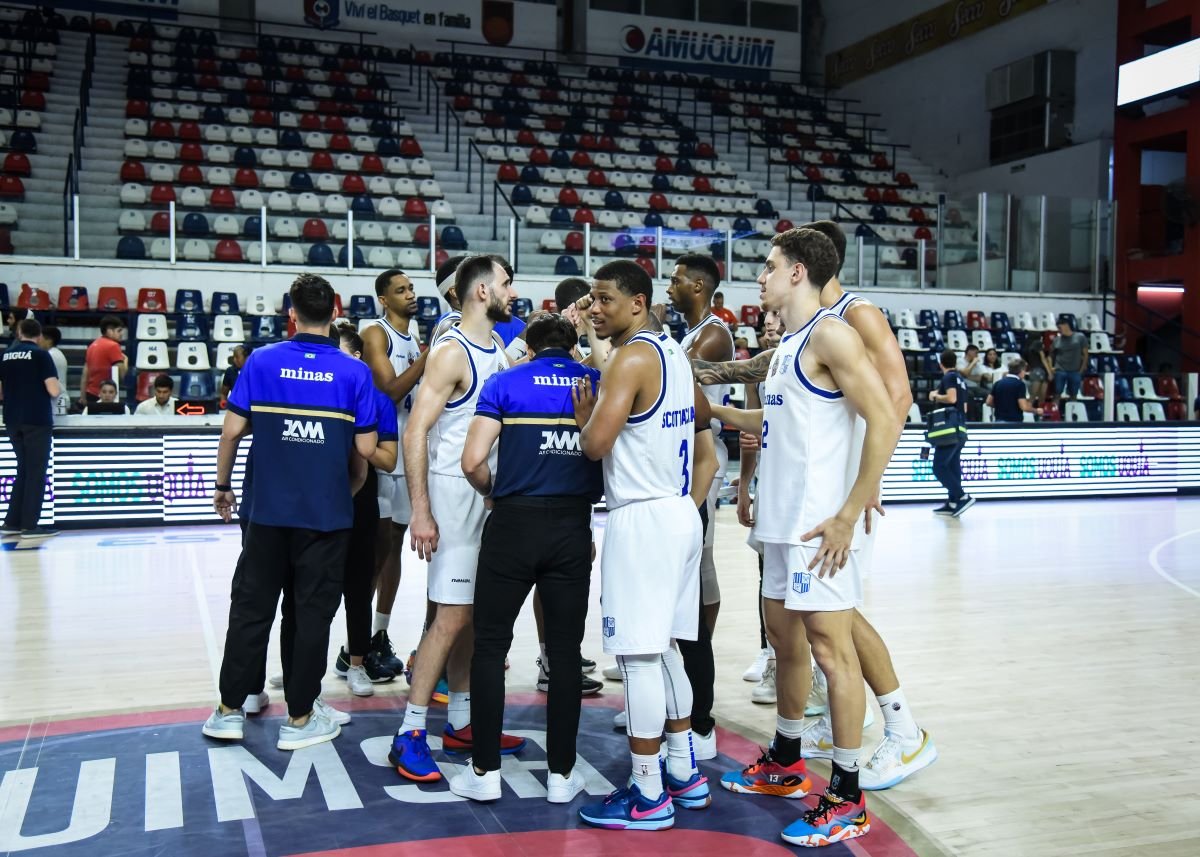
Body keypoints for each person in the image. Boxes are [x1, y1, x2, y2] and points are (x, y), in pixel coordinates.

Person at [696, 222, 936, 792]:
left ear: (798, 272)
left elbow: (886, 413)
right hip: (782, 523)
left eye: (770, 266)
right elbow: (779, 420)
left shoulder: (838, 332)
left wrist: (854, 504)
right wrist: (720, 414)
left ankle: (847, 793)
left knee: (834, 647)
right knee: (785, 640)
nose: (760, 276)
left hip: (821, 522)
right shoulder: (788, 347)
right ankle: (785, 757)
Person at [202, 273, 380, 752]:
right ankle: (301, 717)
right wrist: (353, 480)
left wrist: (222, 487)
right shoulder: (353, 372)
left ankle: (228, 711)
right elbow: (365, 447)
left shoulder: (261, 361)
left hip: (266, 515)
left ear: (292, 314)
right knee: (310, 616)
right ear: (335, 310)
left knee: (251, 610)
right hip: (325, 517)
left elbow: (231, 433)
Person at [571, 259, 709, 831]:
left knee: (639, 658)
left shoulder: (629, 357)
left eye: (604, 298)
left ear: (637, 303)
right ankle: (683, 771)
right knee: (668, 649)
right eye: (590, 300)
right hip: (681, 513)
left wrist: (587, 416)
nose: (593, 308)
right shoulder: (672, 350)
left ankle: (648, 792)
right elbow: (700, 415)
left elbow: (596, 445)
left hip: (643, 517)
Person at [449, 313, 604, 804]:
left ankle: (484, 772)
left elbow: (471, 460)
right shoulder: (595, 381)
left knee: (490, 647)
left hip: (513, 524)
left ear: (530, 350)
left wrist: (496, 494)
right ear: (572, 346)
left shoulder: (504, 382)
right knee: (563, 655)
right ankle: (561, 776)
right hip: (572, 527)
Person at [390, 254, 526, 783]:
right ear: (480, 293)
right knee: (448, 617)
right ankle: (410, 733)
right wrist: (421, 510)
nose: (513, 290)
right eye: (506, 283)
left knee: (473, 614)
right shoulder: (451, 353)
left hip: (488, 495)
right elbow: (414, 431)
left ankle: (463, 723)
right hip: (452, 496)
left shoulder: (497, 350)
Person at [663, 252, 734, 760]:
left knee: (699, 573)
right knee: (681, 575)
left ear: (697, 286)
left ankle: (694, 685)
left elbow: (679, 383)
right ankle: (675, 680)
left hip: (702, 458)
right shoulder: (684, 333)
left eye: (675, 279)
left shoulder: (712, 334)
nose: (669, 285)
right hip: (679, 457)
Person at [359, 268, 427, 680]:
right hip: (383, 452)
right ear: (384, 299)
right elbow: (390, 391)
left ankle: (379, 634)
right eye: (400, 291)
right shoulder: (375, 333)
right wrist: (429, 356)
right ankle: (355, 642)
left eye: (411, 288)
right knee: (376, 549)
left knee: (395, 549)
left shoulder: (413, 338)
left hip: (410, 455)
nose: (410, 294)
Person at [332, 321, 401, 695]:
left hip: (364, 498)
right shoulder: (317, 391)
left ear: (357, 357)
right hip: (320, 497)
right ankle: (298, 661)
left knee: (358, 586)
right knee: (309, 589)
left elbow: (388, 460)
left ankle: (357, 662)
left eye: (338, 351)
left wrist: (360, 446)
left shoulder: (377, 400)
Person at [0, 317, 60, 540]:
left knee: (22, 470)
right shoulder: (41, 354)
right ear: (39, 335)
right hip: (36, 418)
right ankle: (29, 525)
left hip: (12, 419)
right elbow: (53, 390)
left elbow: (1, 392)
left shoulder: (5, 355)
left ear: (19, 333)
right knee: (35, 473)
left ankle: (11, 522)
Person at [930, 348, 973, 517]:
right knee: (953, 466)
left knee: (939, 467)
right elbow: (964, 406)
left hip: (949, 430)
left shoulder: (948, 377)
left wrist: (935, 395)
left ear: (941, 364)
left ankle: (962, 496)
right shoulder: (961, 379)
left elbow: (951, 399)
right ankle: (953, 501)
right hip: (961, 426)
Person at [79, 315, 128, 409]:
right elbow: (122, 375)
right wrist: (125, 360)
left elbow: (85, 375)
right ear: (109, 331)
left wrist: (83, 396)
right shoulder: (113, 346)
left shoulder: (92, 345)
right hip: (106, 396)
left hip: (90, 394)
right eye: (119, 330)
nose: (121, 334)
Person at [1051, 315, 1089, 400]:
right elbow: (1050, 355)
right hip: (1060, 370)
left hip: (1075, 371)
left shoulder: (1080, 337)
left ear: (1066, 325)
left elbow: (1085, 355)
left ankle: (1072, 411)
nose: (1059, 330)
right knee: (1057, 393)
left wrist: (1081, 370)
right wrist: (1052, 368)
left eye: (1060, 328)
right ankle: (1055, 411)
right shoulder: (1057, 340)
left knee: (1073, 394)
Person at [37, 325, 70, 416]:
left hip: (56, 401)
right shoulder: (57, 353)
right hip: (58, 399)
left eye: (40, 337)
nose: (38, 341)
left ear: (49, 340)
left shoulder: (50, 355)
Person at [1021, 331, 1050, 404]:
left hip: (1033, 371)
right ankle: (1039, 414)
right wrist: (1050, 372)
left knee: (1033, 396)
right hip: (1041, 370)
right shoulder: (1038, 343)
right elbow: (1043, 358)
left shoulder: (1026, 347)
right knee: (1041, 397)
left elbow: (1024, 362)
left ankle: (1028, 413)